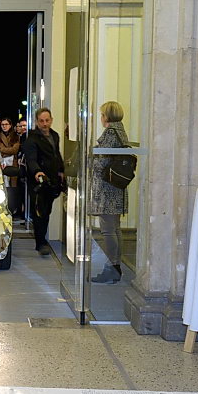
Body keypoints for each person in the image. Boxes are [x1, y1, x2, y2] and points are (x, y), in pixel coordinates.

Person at [90, 101, 129, 283]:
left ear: (106, 116)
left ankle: (112, 267)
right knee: (115, 228)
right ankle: (115, 266)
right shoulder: (121, 132)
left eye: (102, 114)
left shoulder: (110, 133)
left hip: (108, 189)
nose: (101, 117)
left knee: (107, 230)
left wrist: (90, 160)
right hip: (117, 187)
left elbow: (101, 163)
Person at [23, 107, 64, 255]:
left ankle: (42, 240)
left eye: (47, 120)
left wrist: (61, 171)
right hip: (38, 182)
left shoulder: (55, 135)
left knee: (47, 211)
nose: (45, 124)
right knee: (39, 212)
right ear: (36, 122)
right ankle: (40, 243)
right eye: (41, 121)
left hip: (52, 181)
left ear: (51, 120)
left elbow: (56, 155)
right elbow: (31, 159)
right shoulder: (32, 139)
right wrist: (37, 171)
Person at [0, 117, 20, 214]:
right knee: (3, 186)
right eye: (2, 124)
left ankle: (12, 209)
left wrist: (2, 149)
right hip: (1, 163)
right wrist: (4, 150)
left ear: (10, 125)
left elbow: (14, 150)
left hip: (13, 163)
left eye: (6, 124)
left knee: (12, 187)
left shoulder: (15, 137)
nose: (4, 126)